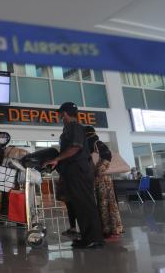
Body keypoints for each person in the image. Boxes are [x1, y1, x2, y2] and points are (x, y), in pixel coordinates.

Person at [43, 102, 104, 249]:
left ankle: (93, 239)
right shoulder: (70, 128)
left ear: (64, 114)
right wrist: (59, 162)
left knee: (85, 204)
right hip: (74, 171)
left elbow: (75, 147)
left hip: (79, 171)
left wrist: (57, 158)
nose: (60, 117)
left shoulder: (74, 127)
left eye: (60, 114)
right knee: (80, 205)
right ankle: (88, 237)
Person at [86, 126, 123, 238]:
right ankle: (106, 228)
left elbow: (107, 155)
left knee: (104, 203)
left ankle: (108, 229)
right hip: (99, 179)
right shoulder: (91, 143)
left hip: (102, 179)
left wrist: (99, 170)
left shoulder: (96, 142)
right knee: (102, 203)